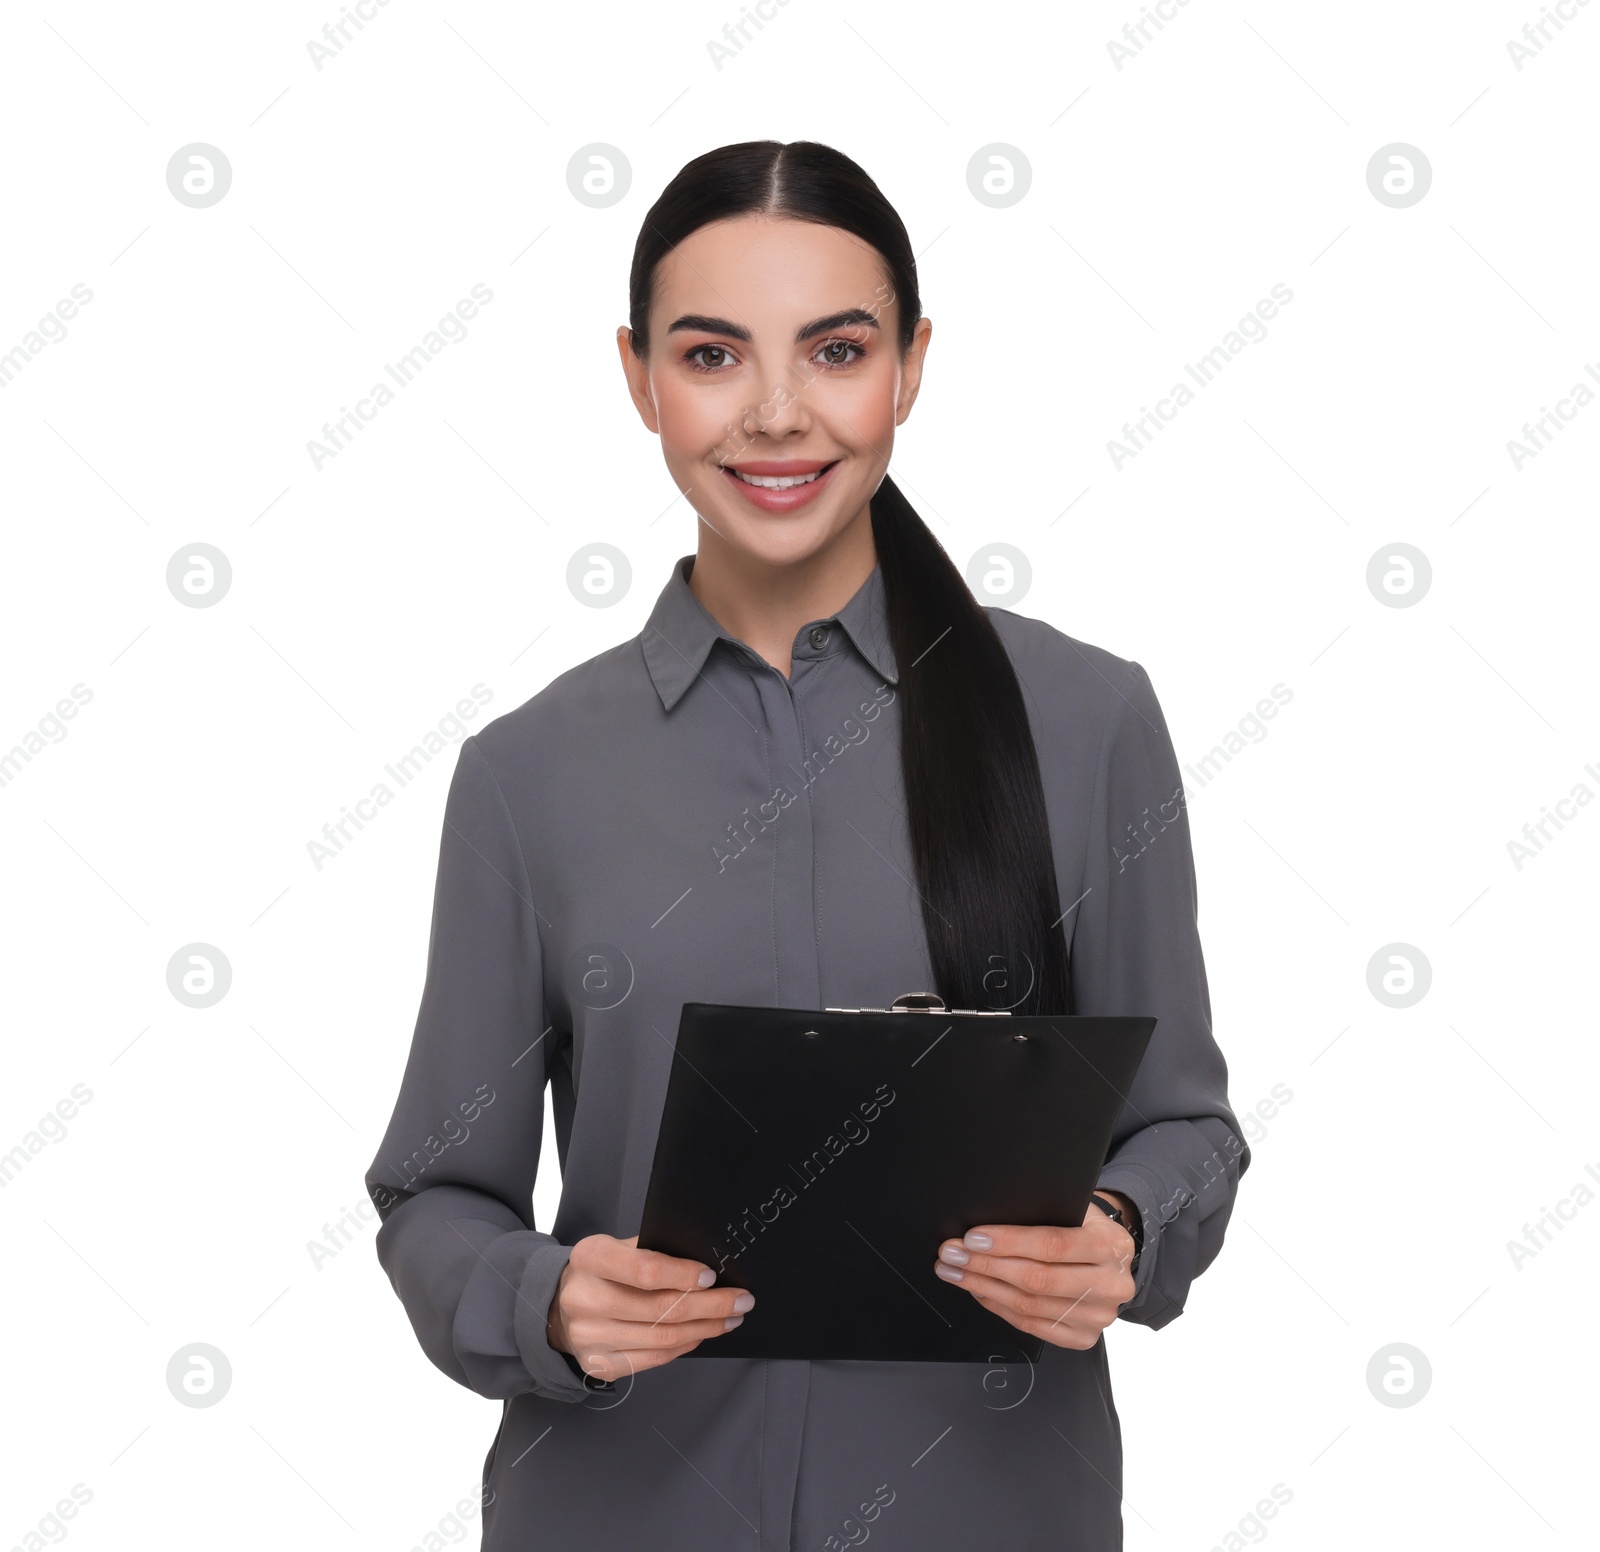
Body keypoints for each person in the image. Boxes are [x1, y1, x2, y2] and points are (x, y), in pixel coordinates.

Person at [365, 139, 1248, 1551]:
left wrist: (1122, 1234)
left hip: (993, 1511)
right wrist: (546, 1301)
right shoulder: (525, 774)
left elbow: (1187, 1127)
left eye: (835, 351)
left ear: (909, 367)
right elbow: (435, 1195)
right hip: (621, 1509)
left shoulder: (1087, 723)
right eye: (713, 357)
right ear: (639, 377)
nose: (777, 416)